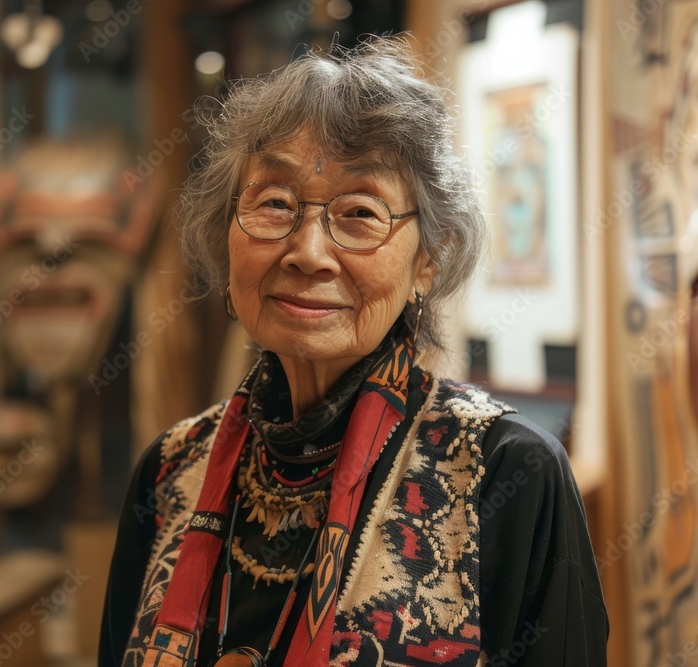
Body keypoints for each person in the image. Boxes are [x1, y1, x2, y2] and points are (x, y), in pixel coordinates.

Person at [100, 36, 608, 666]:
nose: (308, 253)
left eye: (361, 213)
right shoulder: (170, 470)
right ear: (226, 233)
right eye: (275, 203)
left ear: (428, 258)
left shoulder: (505, 473)